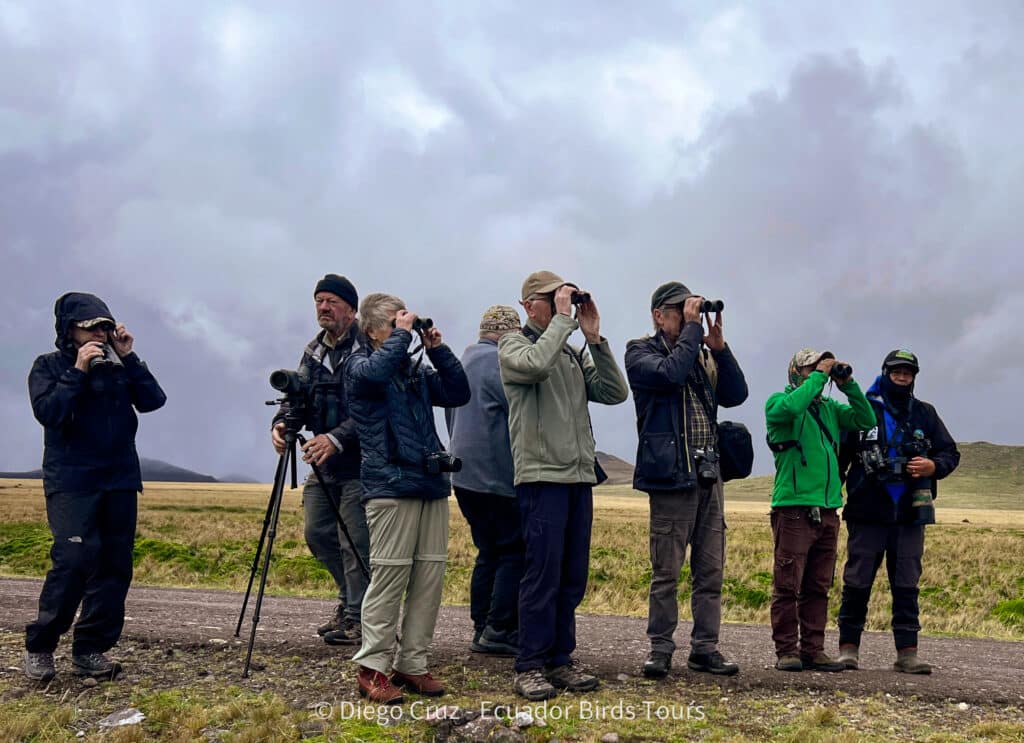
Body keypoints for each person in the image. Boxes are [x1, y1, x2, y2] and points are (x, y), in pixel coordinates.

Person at [499, 270, 629, 701]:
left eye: (564, 298)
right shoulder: (513, 345)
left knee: (571, 576)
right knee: (542, 575)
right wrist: (562, 320)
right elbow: (535, 366)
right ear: (528, 304)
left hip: (577, 476)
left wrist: (594, 338)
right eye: (553, 298)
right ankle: (530, 665)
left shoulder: (570, 352)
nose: (563, 304)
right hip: (541, 477)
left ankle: (559, 660)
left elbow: (614, 392)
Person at [24, 292, 166, 681]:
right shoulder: (49, 366)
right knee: (72, 562)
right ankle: (41, 646)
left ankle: (90, 648)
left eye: (105, 326)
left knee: (114, 567)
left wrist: (130, 357)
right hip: (71, 480)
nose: (100, 334)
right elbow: (50, 413)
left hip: (119, 478)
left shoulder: (120, 365)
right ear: (69, 329)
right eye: (91, 327)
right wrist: (78, 371)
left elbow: (154, 400)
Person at [346, 293, 470, 704]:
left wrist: (438, 349)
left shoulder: (413, 371)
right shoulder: (359, 366)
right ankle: (372, 668)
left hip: (429, 482)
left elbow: (457, 391)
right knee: (390, 576)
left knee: (428, 579)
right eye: (393, 325)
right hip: (389, 485)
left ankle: (412, 663)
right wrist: (403, 336)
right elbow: (376, 372)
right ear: (371, 331)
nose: (404, 331)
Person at [624, 282, 748, 679]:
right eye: (680, 311)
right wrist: (693, 336)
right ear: (658, 315)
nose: (688, 316)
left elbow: (736, 395)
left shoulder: (700, 354)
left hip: (709, 478)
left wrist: (721, 350)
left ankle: (704, 649)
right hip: (671, 477)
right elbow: (670, 374)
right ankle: (660, 648)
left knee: (710, 571)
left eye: (690, 309)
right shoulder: (640, 352)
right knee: (667, 572)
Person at [836, 350, 960, 674]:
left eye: (908, 373)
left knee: (907, 584)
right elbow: (839, 455)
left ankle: (908, 654)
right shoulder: (864, 411)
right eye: (897, 372)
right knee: (857, 582)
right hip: (866, 511)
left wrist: (933, 465)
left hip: (910, 514)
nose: (902, 378)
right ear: (886, 373)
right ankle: (848, 649)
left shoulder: (925, 414)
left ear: (914, 377)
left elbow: (950, 452)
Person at [271, 274, 369, 646]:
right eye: (318, 301)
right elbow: (295, 393)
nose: (323, 308)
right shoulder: (314, 351)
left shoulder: (366, 348)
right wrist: (281, 423)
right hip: (322, 463)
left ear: (350, 308)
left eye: (331, 301)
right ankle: (348, 602)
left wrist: (337, 438)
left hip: (359, 464)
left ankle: (359, 617)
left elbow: (372, 410)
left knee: (355, 542)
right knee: (318, 534)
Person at [765, 348, 874, 672]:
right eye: (812, 367)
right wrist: (817, 376)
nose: (821, 373)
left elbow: (866, 420)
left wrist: (848, 384)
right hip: (794, 508)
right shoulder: (778, 403)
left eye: (822, 368)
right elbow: (794, 405)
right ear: (796, 371)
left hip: (827, 509)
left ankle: (813, 650)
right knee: (788, 584)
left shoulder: (829, 408)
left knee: (818, 586)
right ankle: (787, 651)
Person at [445, 305, 525, 657]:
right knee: (513, 550)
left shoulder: (462, 363)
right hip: (497, 475)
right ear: (510, 333)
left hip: (463, 476)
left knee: (488, 550)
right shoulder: (501, 365)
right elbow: (519, 416)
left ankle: (482, 625)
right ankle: (499, 628)